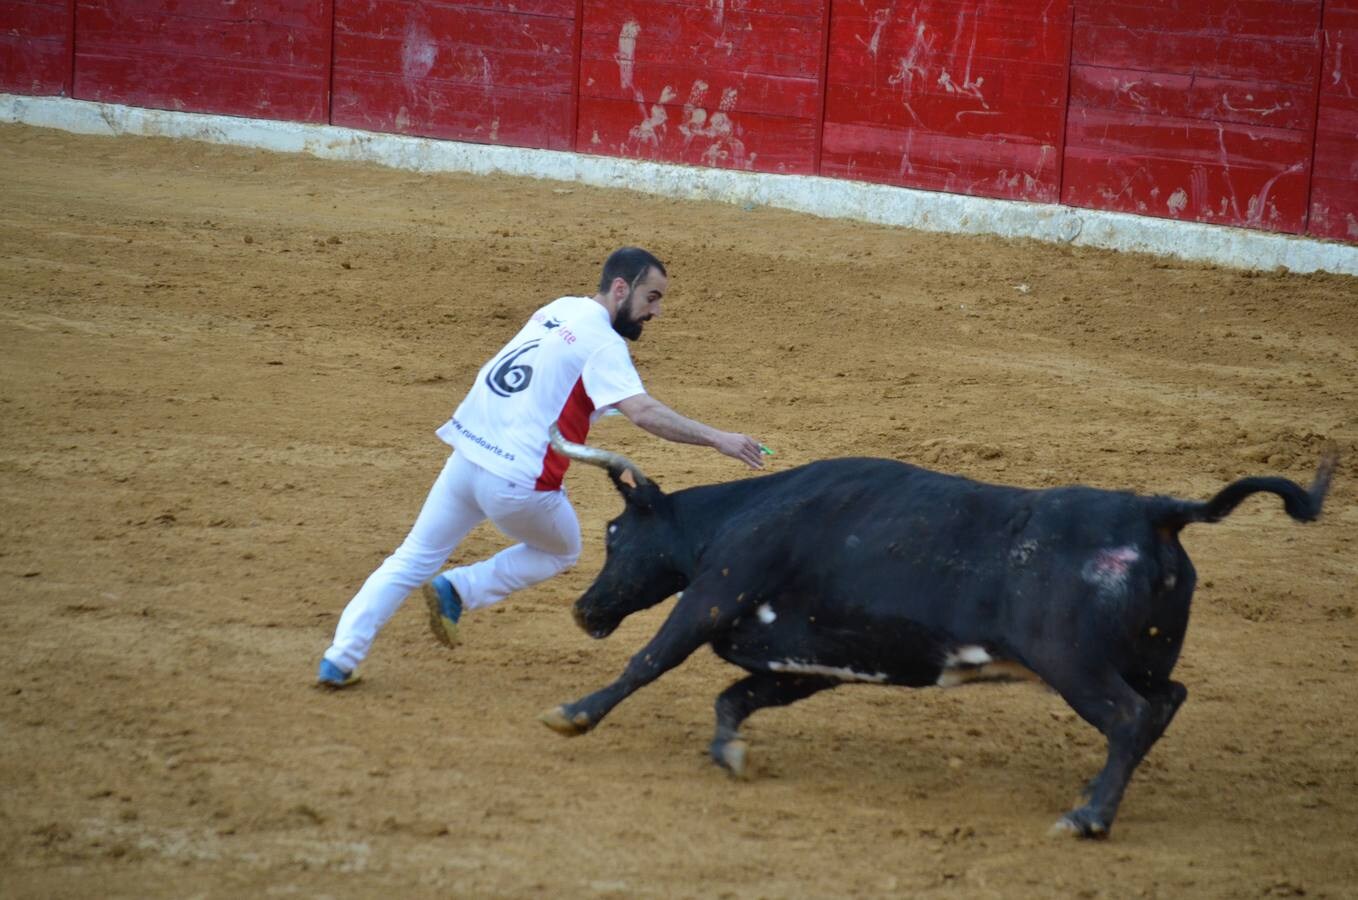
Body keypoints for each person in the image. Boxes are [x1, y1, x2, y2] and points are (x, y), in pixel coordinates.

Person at [317, 247, 765, 687]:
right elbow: (643, 413)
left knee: (412, 557)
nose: (657, 312)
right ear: (621, 288)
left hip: (467, 456)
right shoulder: (604, 345)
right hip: (517, 480)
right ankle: (460, 589)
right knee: (562, 550)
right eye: (651, 298)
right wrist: (718, 438)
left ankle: (339, 658)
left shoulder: (560, 307)